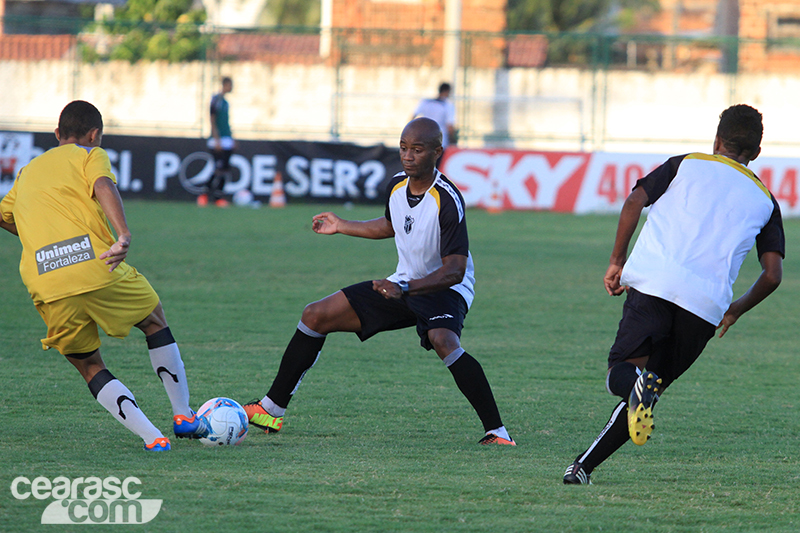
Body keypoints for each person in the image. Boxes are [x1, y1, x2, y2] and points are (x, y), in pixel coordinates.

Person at [243, 117, 514, 445]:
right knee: (316, 314)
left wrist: (405, 289)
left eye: (417, 149)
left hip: (445, 287)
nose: (408, 155)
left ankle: (497, 432)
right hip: (402, 282)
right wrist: (342, 225)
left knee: (443, 339)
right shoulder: (397, 185)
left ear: (437, 152)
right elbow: (391, 225)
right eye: (403, 148)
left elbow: (454, 270)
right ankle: (271, 409)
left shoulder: (447, 198)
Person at [563, 104, 784, 484]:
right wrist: (735, 311)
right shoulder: (766, 201)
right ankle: (582, 468)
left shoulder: (686, 163)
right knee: (646, 393)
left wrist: (616, 260)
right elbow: (772, 274)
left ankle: (625, 403)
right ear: (757, 153)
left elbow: (634, 201)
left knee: (624, 375)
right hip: (705, 308)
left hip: (655, 284)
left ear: (717, 140)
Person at [0, 100, 209, 451]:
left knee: (88, 364)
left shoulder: (28, 171)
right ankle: (183, 415)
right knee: (154, 321)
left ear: (56, 134)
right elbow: (103, 185)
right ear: (94, 135)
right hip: (97, 264)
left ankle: (153, 438)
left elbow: (4, 215)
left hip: (46, 281)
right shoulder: (88, 154)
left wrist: (41, 239)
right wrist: (123, 234)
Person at [199, 76, 235, 207]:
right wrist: (217, 139)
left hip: (227, 139)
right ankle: (204, 194)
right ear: (225, 85)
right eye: (230, 85)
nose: (232, 88)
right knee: (218, 168)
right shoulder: (216, 100)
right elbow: (212, 119)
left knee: (225, 169)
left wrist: (231, 138)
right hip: (218, 140)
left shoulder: (226, 102)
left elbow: (226, 122)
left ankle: (218, 198)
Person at [412, 82, 457, 157]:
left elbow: (413, 118)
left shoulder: (426, 102)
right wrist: (453, 140)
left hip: (424, 138)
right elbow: (449, 126)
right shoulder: (447, 105)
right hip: (441, 140)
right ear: (447, 91)